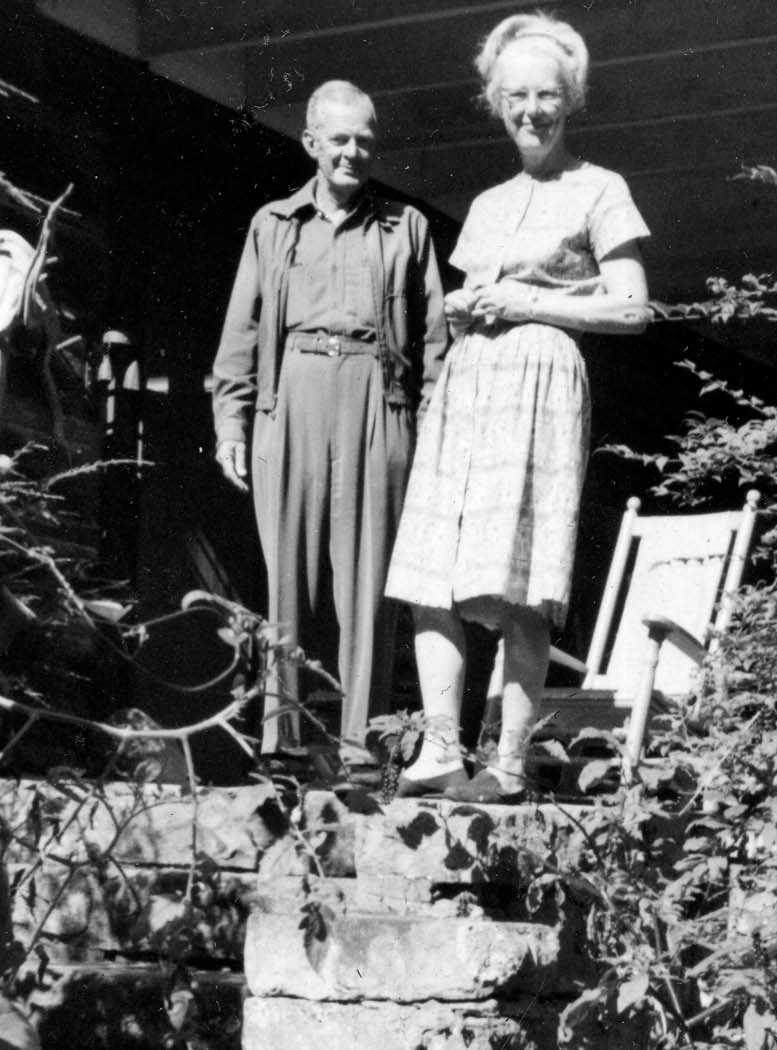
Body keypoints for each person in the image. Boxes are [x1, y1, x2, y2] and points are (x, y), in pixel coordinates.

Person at [384, 11, 651, 803]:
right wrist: (466, 306)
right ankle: (440, 751)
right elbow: (476, 293)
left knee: (522, 576)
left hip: (540, 383)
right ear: (495, 103)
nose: (531, 111)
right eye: (515, 97)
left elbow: (633, 308)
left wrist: (528, 303)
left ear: (572, 100)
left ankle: (505, 762)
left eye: (546, 95)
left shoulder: (601, 189)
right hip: (470, 386)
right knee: (432, 568)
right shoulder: (490, 202)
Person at [212, 81, 448, 767]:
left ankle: (362, 748)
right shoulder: (273, 224)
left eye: (364, 141)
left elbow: (436, 344)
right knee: (286, 577)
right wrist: (231, 423)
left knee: (369, 584)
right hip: (291, 397)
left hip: (379, 400)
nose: (352, 152)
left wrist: (430, 436)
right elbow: (241, 329)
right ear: (311, 143)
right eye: (339, 139)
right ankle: (282, 743)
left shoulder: (406, 227)